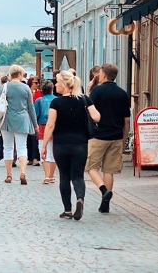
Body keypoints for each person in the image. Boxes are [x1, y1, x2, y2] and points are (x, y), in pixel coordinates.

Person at [42, 71, 100, 220]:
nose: (55, 85)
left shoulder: (56, 103)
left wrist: (44, 145)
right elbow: (97, 117)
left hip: (61, 144)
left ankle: (67, 210)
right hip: (80, 144)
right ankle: (80, 199)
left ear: (65, 84)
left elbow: (50, 125)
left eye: (57, 82)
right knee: (78, 175)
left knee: (64, 176)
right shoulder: (84, 100)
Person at [86, 63, 132, 214]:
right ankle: (105, 202)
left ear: (103, 75)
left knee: (91, 167)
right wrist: (124, 138)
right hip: (116, 136)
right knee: (109, 170)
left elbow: (89, 112)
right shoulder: (122, 93)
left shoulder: (97, 92)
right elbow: (126, 120)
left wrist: (90, 88)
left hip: (98, 136)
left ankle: (104, 190)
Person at [0, 65, 39, 185]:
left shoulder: (5, 87)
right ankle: (23, 172)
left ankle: (9, 175)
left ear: (11, 74)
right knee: (22, 147)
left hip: (7, 119)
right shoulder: (26, 88)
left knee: (8, 147)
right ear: (20, 74)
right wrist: (35, 124)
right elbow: (31, 108)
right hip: (23, 119)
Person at [34, 80, 58, 184]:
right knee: (53, 152)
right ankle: (52, 175)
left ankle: (46, 175)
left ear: (42, 90)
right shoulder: (57, 100)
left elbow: (36, 115)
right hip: (56, 126)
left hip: (43, 126)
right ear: (52, 89)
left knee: (44, 151)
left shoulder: (39, 101)